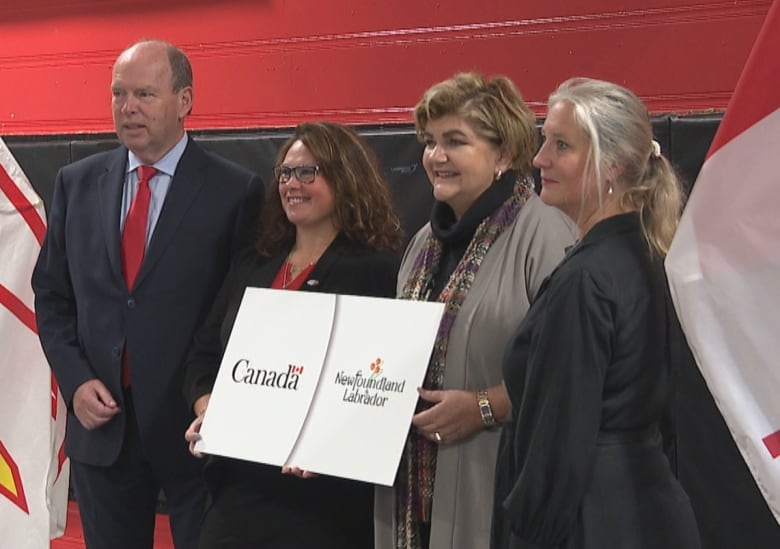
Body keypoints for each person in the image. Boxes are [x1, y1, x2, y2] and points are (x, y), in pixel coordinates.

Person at [32, 39, 264, 549]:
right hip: (102, 428)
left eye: (143, 94)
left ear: (184, 101)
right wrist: (74, 381)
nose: (127, 107)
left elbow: (244, 312)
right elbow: (51, 295)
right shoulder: (77, 183)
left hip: (194, 432)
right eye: (118, 94)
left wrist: (215, 399)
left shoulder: (236, 191)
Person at [491, 77, 701, 549]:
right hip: (643, 509)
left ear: (613, 166)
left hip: (591, 519)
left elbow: (559, 444)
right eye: (545, 140)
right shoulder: (648, 255)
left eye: (560, 145)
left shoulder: (588, 280)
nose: (539, 158)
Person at [374, 72, 577, 549]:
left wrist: (484, 408)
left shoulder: (545, 234)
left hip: (494, 490)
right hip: (409, 498)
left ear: (503, 154)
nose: (436, 156)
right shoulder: (422, 244)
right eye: (429, 141)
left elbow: (569, 372)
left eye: (455, 141)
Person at [182, 121, 402, 549]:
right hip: (238, 487)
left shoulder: (378, 271)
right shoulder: (254, 264)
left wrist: (327, 442)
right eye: (285, 172)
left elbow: (380, 387)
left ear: (345, 178)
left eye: (308, 172)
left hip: (322, 502)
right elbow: (203, 355)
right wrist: (211, 409)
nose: (291, 184)